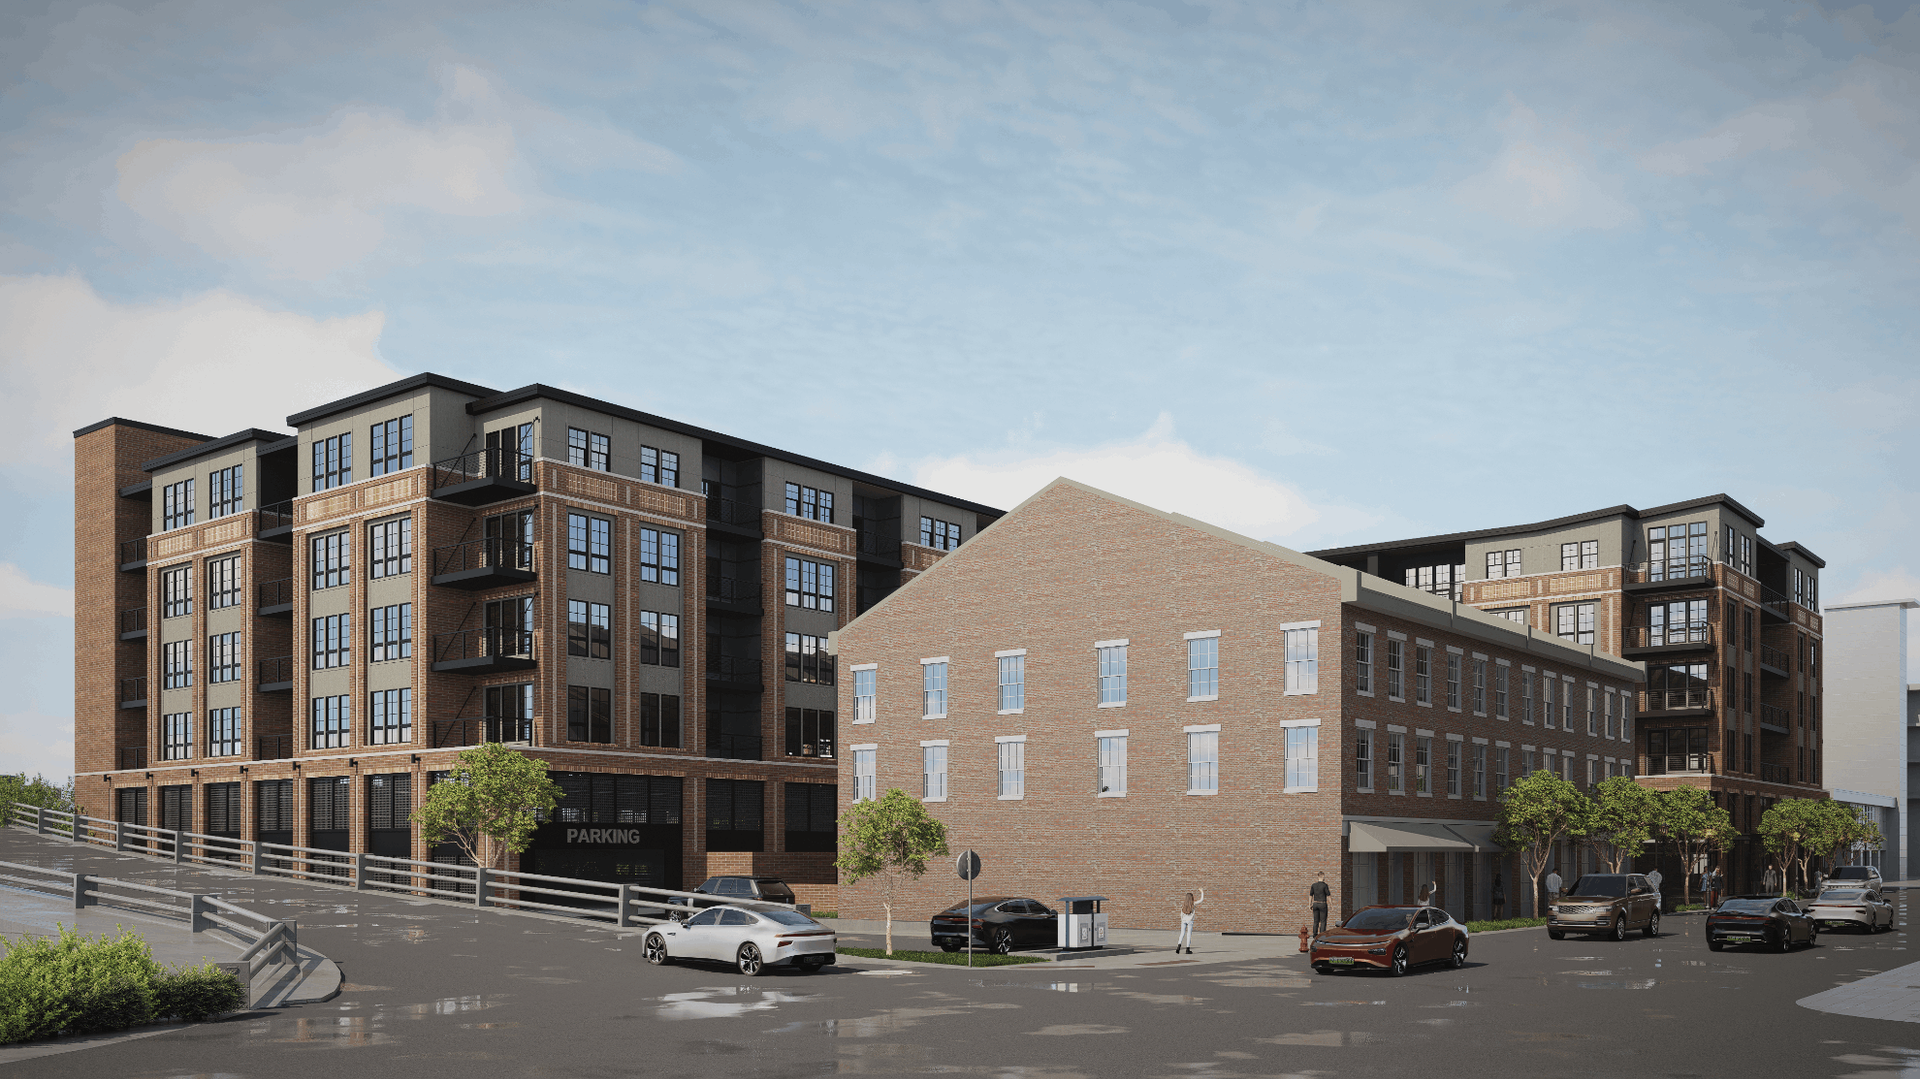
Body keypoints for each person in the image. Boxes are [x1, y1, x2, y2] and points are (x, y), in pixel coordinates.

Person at [1175, 888, 1204, 955]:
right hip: (1190, 921)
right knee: (1189, 935)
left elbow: (1181, 914)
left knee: (1182, 933)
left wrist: (1182, 919)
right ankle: (1187, 949)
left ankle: (1178, 946)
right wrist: (1202, 892)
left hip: (1183, 921)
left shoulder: (1183, 905)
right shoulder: (1193, 904)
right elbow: (1201, 900)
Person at [1309, 874, 1331, 938]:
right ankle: (1322, 935)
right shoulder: (1325, 885)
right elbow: (1328, 895)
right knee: (1323, 921)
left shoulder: (1313, 885)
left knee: (1316, 920)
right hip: (1322, 903)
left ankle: (1315, 934)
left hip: (1315, 904)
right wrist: (1331, 904)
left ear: (1318, 877)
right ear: (1323, 877)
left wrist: (1309, 904)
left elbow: (1310, 895)